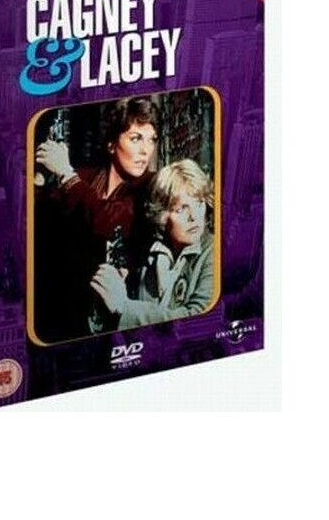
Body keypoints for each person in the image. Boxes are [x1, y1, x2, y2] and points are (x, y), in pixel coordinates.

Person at [32, 97, 159, 342]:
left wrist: (66, 175)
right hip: (62, 313)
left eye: (151, 139)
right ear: (112, 144)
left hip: (113, 320)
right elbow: (41, 222)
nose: (146, 150)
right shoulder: (86, 177)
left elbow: (111, 222)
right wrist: (40, 178)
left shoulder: (150, 186)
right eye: (136, 138)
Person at [90, 159, 215, 328]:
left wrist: (124, 306)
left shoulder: (215, 252)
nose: (194, 217)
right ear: (162, 215)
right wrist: (107, 300)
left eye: (199, 203)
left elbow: (197, 320)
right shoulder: (150, 256)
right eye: (181, 209)